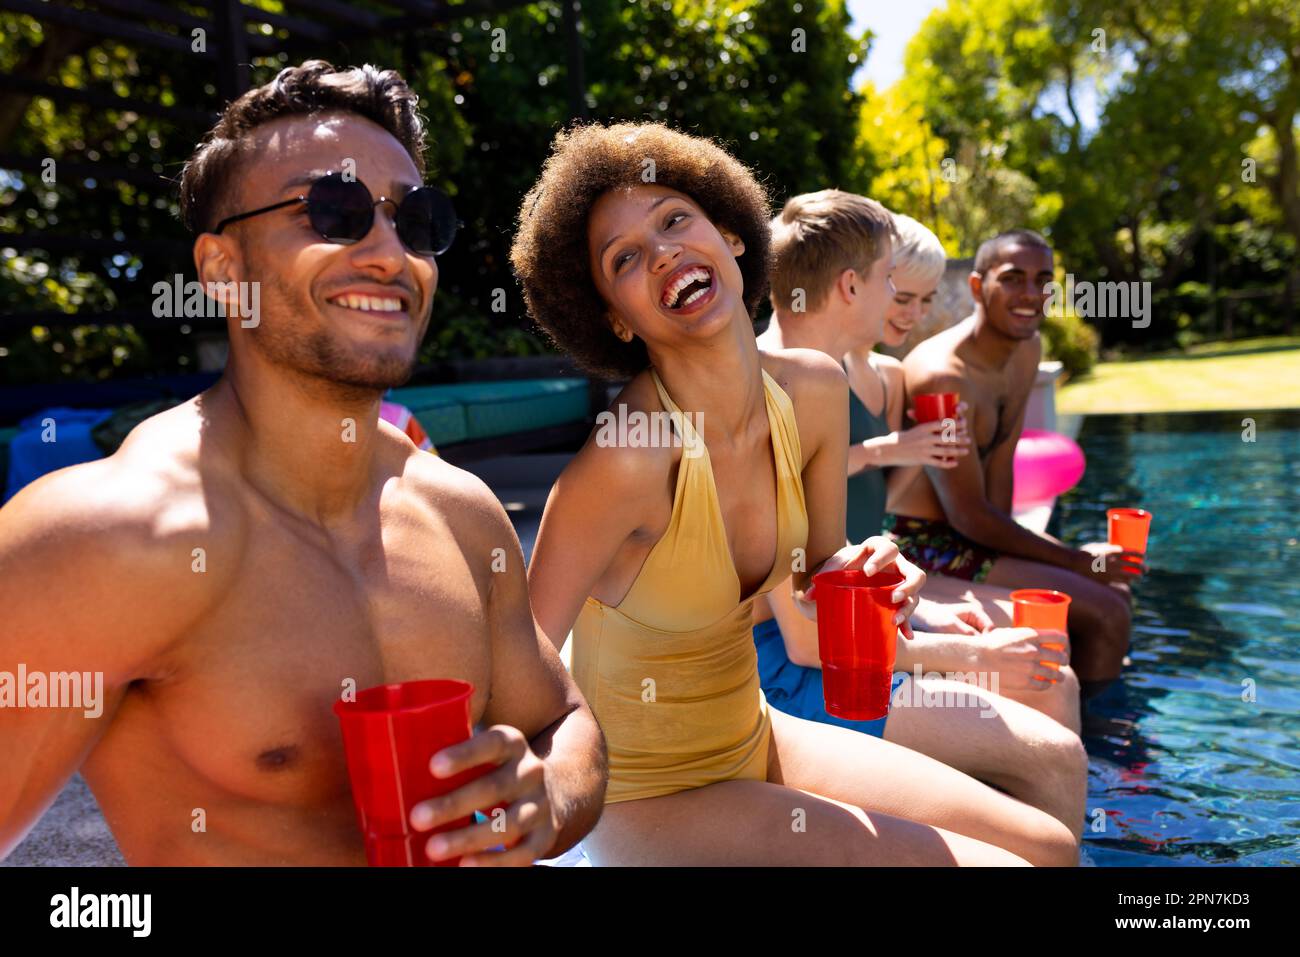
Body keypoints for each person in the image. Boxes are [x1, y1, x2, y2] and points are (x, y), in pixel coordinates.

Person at [0, 60, 606, 866]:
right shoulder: (102, 537)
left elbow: (562, 719)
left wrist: (550, 793)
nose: (392, 254)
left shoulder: (459, 512)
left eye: (416, 221)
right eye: (335, 210)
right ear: (222, 270)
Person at [515, 121, 1078, 865]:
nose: (663, 252)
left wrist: (875, 565)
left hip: (757, 733)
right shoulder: (625, 462)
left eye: (676, 219)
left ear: (732, 234)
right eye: (625, 258)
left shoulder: (811, 388)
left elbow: (824, 567)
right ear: (614, 316)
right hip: (652, 795)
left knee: (1051, 844)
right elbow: (518, 668)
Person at [753, 191, 1084, 832]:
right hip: (788, 679)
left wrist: (922, 610)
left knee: (1053, 679)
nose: (902, 300)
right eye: (890, 281)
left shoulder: (820, 385)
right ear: (852, 286)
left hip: (832, 647)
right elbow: (801, 641)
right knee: (1055, 752)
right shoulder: (772, 404)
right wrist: (969, 657)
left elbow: (832, 562)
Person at [886, 229, 1136, 691]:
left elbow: (1002, 459)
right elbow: (966, 515)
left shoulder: (1026, 350)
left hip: (973, 535)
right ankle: (1108, 749)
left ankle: (1103, 712)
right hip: (921, 544)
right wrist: (1075, 559)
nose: (1030, 294)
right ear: (979, 287)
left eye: (1042, 280)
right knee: (1106, 611)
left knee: (1115, 588)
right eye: (1013, 278)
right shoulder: (943, 375)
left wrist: (1041, 553)